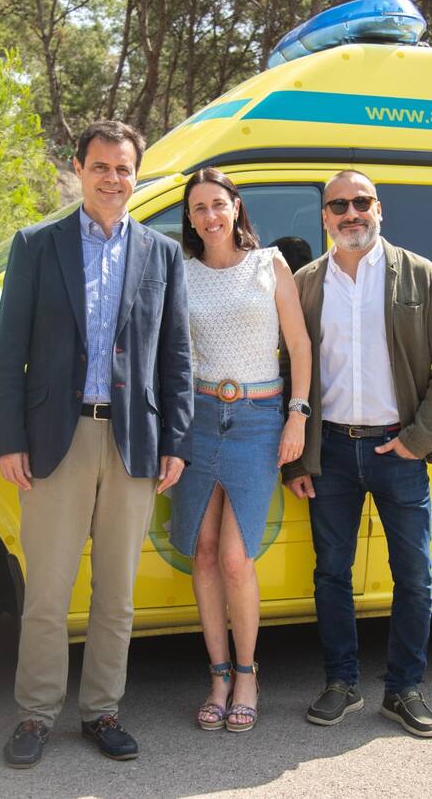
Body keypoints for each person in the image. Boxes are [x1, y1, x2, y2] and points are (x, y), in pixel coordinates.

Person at [0, 120, 193, 768]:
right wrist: (9, 439)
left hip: (135, 441)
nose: (112, 179)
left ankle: (102, 710)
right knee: (48, 591)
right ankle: (35, 713)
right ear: (78, 169)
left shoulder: (161, 253)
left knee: (116, 595)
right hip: (56, 437)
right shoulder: (36, 245)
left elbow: (176, 354)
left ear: (137, 176)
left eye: (123, 168)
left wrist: (175, 439)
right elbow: (9, 351)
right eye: (100, 166)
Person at [283, 169, 432, 738]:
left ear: (379, 208)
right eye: (338, 205)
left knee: (414, 576)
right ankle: (341, 683)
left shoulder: (420, 274)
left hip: (398, 449)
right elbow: (289, 369)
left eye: (361, 202)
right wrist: (296, 460)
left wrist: (419, 438)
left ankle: (404, 689)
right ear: (324, 217)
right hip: (330, 452)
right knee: (331, 574)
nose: (351, 213)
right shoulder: (306, 283)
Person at [169, 168, 311, 733]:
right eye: (198, 208)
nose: (210, 216)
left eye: (218, 205)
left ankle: (249, 675)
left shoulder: (269, 264)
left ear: (236, 207)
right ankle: (219, 676)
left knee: (234, 557)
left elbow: (299, 343)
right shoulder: (181, 272)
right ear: (190, 218)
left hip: (257, 419)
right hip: (200, 417)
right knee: (202, 553)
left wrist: (297, 415)